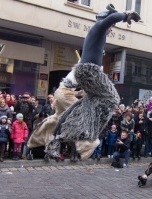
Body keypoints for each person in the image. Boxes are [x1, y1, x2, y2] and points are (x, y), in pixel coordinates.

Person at [48, 4, 140, 159]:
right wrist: (126, 15)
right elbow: (111, 18)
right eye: (112, 27)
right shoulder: (98, 27)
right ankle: (89, 129)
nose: (111, 29)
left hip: (86, 72)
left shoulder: (98, 33)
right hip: (90, 71)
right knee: (113, 98)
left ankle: (61, 135)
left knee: (91, 101)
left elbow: (110, 19)